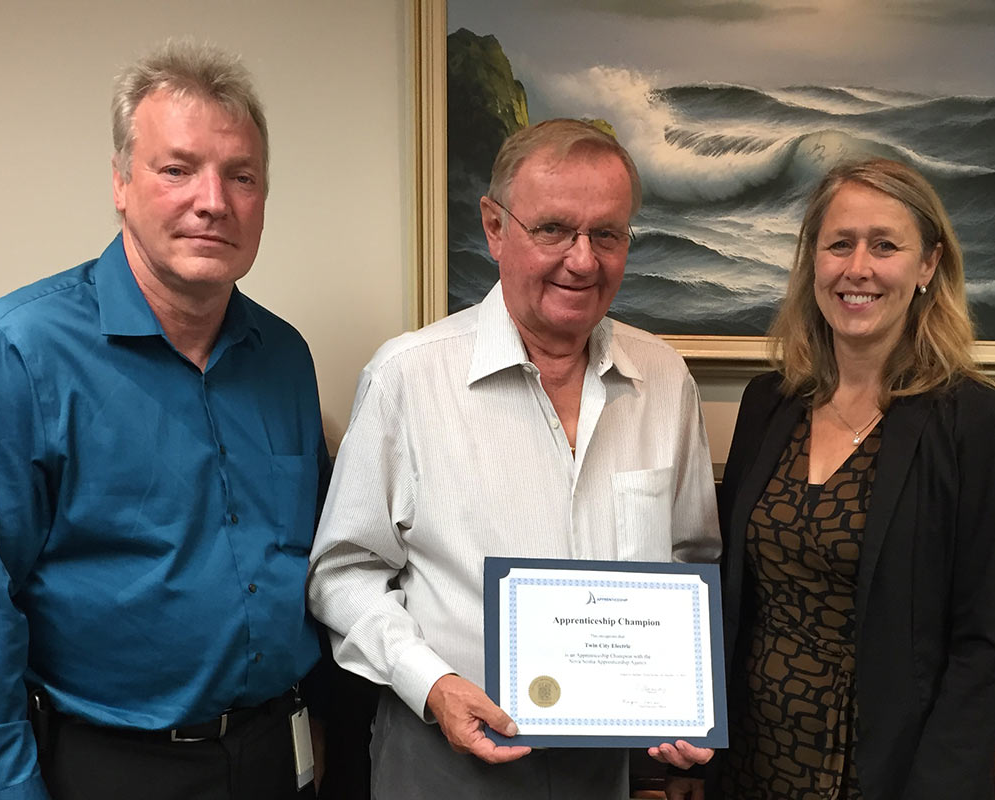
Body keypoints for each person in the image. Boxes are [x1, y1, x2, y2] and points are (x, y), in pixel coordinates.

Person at [0, 40, 329, 800]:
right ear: (120, 183)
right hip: (114, 766)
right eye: (177, 169)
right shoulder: (10, 355)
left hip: (278, 751)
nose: (214, 200)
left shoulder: (285, 358)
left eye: (242, 176)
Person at [307, 118, 721, 799]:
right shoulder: (409, 378)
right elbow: (342, 573)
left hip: (603, 773)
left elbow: (689, 560)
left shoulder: (664, 380)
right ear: (496, 228)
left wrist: (675, 697)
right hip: (443, 760)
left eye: (607, 234)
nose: (583, 260)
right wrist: (432, 684)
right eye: (553, 229)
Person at [691, 158, 995, 800]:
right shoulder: (768, 403)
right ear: (812, 262)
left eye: (885, 245)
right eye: (839, 244)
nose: (858, 268)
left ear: (928, 264)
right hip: (751, 764)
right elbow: (730, 594)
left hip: (885, 772)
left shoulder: (977, 422)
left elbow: (984, 643)